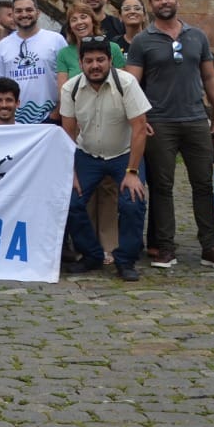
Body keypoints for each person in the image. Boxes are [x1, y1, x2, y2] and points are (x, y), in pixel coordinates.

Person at [126, 0, 214, 272]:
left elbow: (210, 77)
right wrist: (139, 118)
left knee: (203, 185)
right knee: (162, 187)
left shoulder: (197, 36)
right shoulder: (142, 41)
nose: (163, 1)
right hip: (159, 122)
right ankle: (165, 247)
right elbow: (131, 83)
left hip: (197, 120)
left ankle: (210, 247)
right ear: (152, 4)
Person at [60, 36, 152, 282]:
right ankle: (91, 255)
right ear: (81, 63)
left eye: (101, 60)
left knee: (132, 202)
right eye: (89, 61)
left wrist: (132, 173)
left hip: (123, 154)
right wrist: (71, 173)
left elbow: (140, 127)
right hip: (87, 154)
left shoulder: (127, 83)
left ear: (111, 61)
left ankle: (126, 260)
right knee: (70, 201)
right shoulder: (70, 88)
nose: (95, 65)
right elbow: (68, 132)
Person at [0, 0, 66, 124]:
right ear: (13, 14)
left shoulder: (56, 40)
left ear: (38, 12)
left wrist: (56, 113)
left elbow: (68, 80)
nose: (24, 14)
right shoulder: (3, 45)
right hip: (15, 121)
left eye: (29, 10)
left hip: (51, 118)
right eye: (18, 11)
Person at [56, 0, 127, 84]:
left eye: (83, 17)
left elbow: (124, 83)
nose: (79, 22)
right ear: (70, 27)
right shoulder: (64, 54)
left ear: (93, 21)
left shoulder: (113, 48)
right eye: (74, 20)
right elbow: (63, 93)